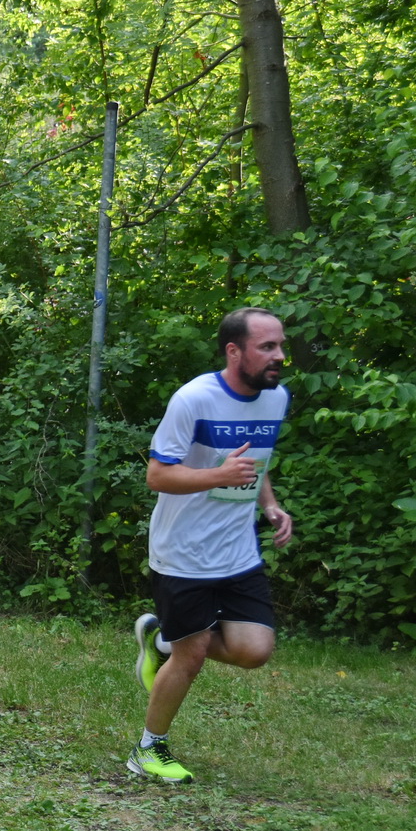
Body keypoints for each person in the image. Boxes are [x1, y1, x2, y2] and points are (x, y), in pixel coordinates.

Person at [128, 307, 293, 783]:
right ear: (234, 350)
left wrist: (271, 506)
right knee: (194, 653)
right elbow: (157, 474)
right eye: (267, 347)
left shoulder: (275, 397)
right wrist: (216, 476)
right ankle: (148, 749)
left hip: (237, 551)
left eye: (280, 345)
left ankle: (162, 636)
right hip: (182, 551)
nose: (279, 356)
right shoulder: (193, 399)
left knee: (254, 650)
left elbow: (257, 462)